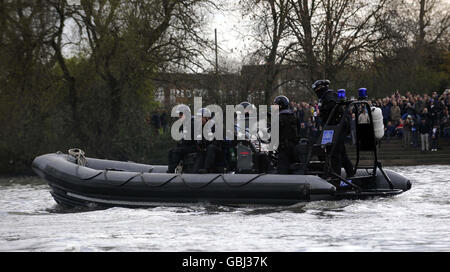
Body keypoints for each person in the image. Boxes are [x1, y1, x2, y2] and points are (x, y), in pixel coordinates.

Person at [312, 79, 354, 178]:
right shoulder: (327, 97)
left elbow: (331, 111)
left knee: (335, 153)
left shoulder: (329, 97)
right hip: (334, 128)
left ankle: (336, 178)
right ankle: (350, 174)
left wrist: (322, 114)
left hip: (336, 128)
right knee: (341, 153)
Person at [273, 95, 300, 174]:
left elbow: (274, 134)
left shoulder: (278, 117)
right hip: (294, 146)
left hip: (283, 147)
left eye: (275, 105)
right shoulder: (294, 116)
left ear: (280, 105)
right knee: (294, 168)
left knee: (282, 169)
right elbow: (299, 130)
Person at [167, 104, 197, 173]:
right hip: (187, 145)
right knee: (171, 151)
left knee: (177, 151)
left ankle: (171, 171)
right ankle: (170, 170)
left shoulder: (193, 123)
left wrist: (181, 144)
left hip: (194, 146)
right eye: (179, 114)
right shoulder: (183, 124)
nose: (179, 116)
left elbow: (190, 139)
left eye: (181, 114)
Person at [194, 108, 223, 173]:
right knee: (200, 152)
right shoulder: (200, 127)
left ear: (207, 117)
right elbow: (198, 140)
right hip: (206, 149)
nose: (199, 119)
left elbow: (218, 140)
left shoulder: (215, 125)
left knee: (210, 148)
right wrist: (200, 146)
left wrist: (207, 146)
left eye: (201, 117)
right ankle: (195, 170)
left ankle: (206, 168)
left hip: (216, 149)